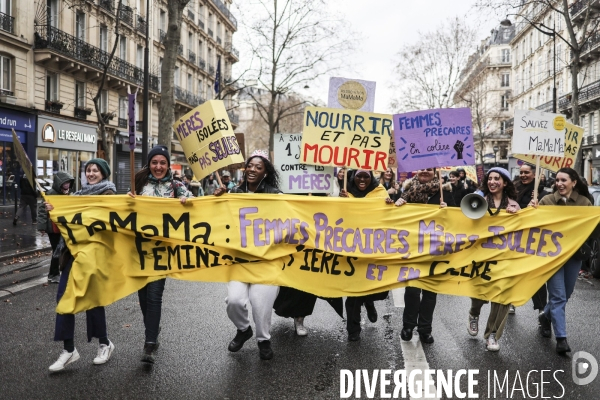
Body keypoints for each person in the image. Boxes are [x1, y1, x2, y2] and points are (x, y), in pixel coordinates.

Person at [45, 158, 116, 372]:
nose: (91, 173)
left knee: (93, 300)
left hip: (95, 256)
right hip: (72, 255)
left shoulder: (110, 195)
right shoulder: (74, 197)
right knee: (63, 298)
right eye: (88, 170)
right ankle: (69, 349)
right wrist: (54, 212)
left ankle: (104, 344)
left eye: (96, 170)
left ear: (104, 174)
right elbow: (60, 229)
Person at [128, 146, 194, 364]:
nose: (158, 166)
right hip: (139, 250)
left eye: (162, 163)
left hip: (162, 252)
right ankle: (153, 329)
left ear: (168, 165)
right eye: (154, 162)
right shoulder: (138, 183)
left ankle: (150, 343)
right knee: (143, 297)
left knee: (155, 295)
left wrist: (187, 202)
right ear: (150, 164)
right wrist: (128, 200)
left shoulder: (177, 186)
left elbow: (197, 206)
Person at [214, 150, 281, 360]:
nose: (252, 169)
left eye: (258, 167)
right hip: (239, 261)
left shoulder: (276, 196)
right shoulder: (232, 193)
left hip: (265, 261)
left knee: (261, 305)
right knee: (234, 301)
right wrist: (217, 200)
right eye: (250, 165)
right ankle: (244, 330)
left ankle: (264, 340)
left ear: (266, 173)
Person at [531, 167, 592, 354]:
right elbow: (533, 225)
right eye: (557, 180)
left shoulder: (585, 203)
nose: (559, 184)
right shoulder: (546, 201)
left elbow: (591, 229)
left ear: (574, 182)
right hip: (552, 256)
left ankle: (545, 317)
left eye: (563, 180)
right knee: (558, 297)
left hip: (574, 256)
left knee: (566, 294)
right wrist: (532, 211)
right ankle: (561, 339)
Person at [392, 167, 457, 344]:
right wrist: (396, 204)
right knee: (412, 290)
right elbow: (393, 215)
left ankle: (425, 329)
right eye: (422, 168)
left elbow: (457, 219)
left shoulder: (445, 191)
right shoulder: (407, 191)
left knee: (430, 293)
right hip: (413, 249)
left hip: (436, 250)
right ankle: (408, 326)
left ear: (435, 172)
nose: (425, 171)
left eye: (429, 169)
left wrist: (448, 209)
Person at [467, 167, 520, 352]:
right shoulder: (477, 201)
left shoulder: (513, 204)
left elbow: (522, 229)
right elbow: (464, 220)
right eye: (490, 178)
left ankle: (492, 334)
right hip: (481, 257)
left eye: (497, 178)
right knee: (480, 294)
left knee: (502, 297)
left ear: (505, 182)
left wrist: (523, 214)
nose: (492, 182)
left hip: (504, 258)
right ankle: (474, 314)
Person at [340, 169, 390, 341]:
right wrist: (339, 203)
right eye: (358, 176)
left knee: (370, 285)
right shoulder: (344, 192)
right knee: (353, 289)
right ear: (353, 176)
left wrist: (389, 206)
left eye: (366, 176)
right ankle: (353, 329)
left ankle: (368, 301)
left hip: (372, 248)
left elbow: (387, 217)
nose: (362, 179)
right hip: (350, 248)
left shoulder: (380, 192)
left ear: (371, 178)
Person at [514, 163, 547, 316]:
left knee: (535, 276)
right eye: (521, 172)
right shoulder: (513, 190)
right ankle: (511, 301)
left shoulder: (543, 194)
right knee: (513, 273)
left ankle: (542, 310)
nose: (523, 175)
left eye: (526, 172)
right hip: (515, 238)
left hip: (534, 240)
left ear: (535, 174)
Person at [38, 171, 75, 283]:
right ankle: (53, 274)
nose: (67, 184)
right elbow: (42, 211)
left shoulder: (69, 194)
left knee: (62, 250)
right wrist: (42, 227)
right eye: (65, 182)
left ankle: (58, 272)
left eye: (69, 182)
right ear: (60, 182)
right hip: (54, 228)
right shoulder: (51, 194)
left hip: (64, 227)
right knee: (57, 250)